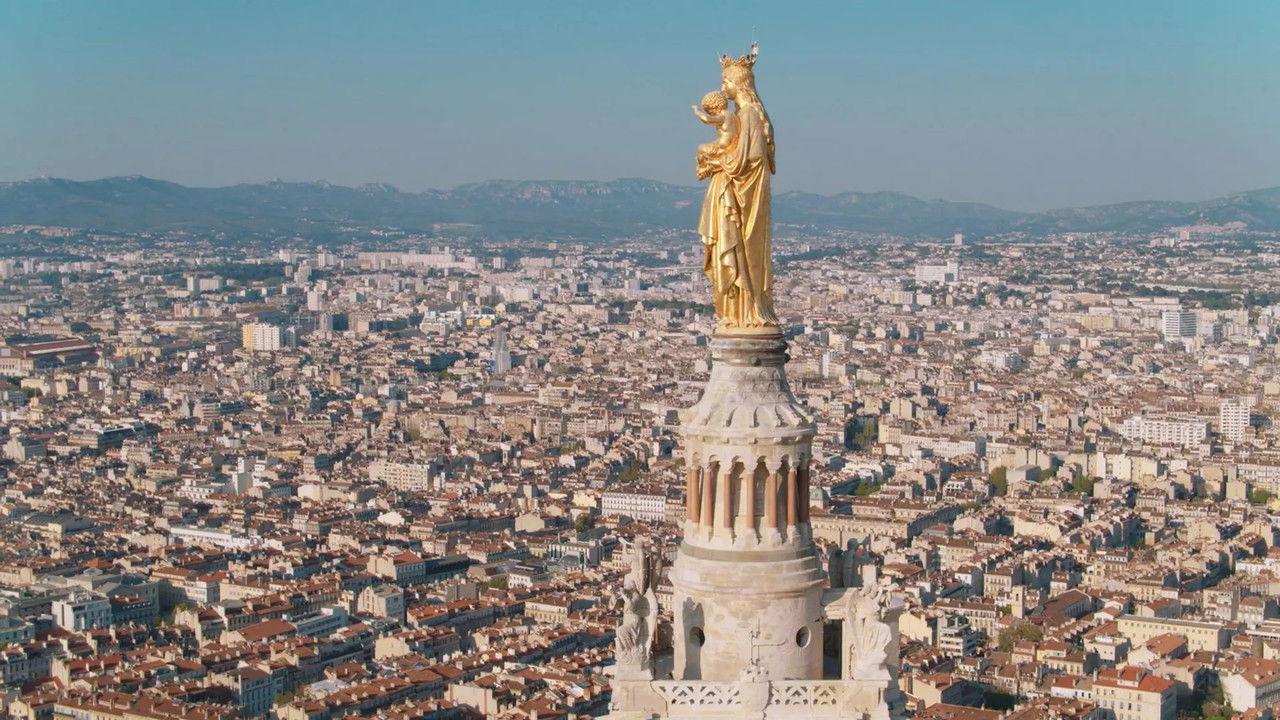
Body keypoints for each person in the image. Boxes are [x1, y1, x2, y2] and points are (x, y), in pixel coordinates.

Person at [692, 91, 737, 181]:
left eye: (710, 111)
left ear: (715, 107)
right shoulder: (732, 116)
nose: (710, 114)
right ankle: (706, 167)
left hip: (723, 147)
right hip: (728, 145)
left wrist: (697, 111)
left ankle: (704, 169)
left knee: (700, 148)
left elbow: (707, 119)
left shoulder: (723, 116)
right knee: (703, 150)